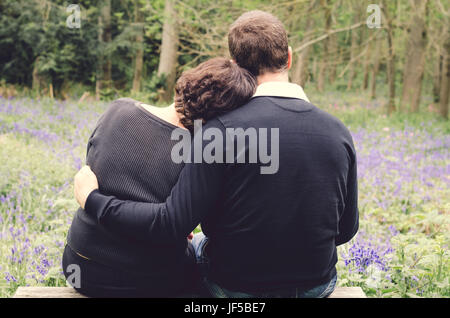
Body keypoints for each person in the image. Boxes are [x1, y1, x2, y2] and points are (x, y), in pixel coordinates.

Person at [74, 10, 359, 298]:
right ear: (289, 57)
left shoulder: (220, 130)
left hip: (233, 288)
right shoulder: (339, 133)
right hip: (316, 286)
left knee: (197, 244)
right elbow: (346, 230)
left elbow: (172, 223)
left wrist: (94, 200)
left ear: (237, 66)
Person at [63, 57, 256, 297]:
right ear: (225, 113)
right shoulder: (201, 151)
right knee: (202, 255)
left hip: (80, 265)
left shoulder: (118, 109)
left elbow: (96, 170)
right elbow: (171, 223)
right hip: (148, 280)